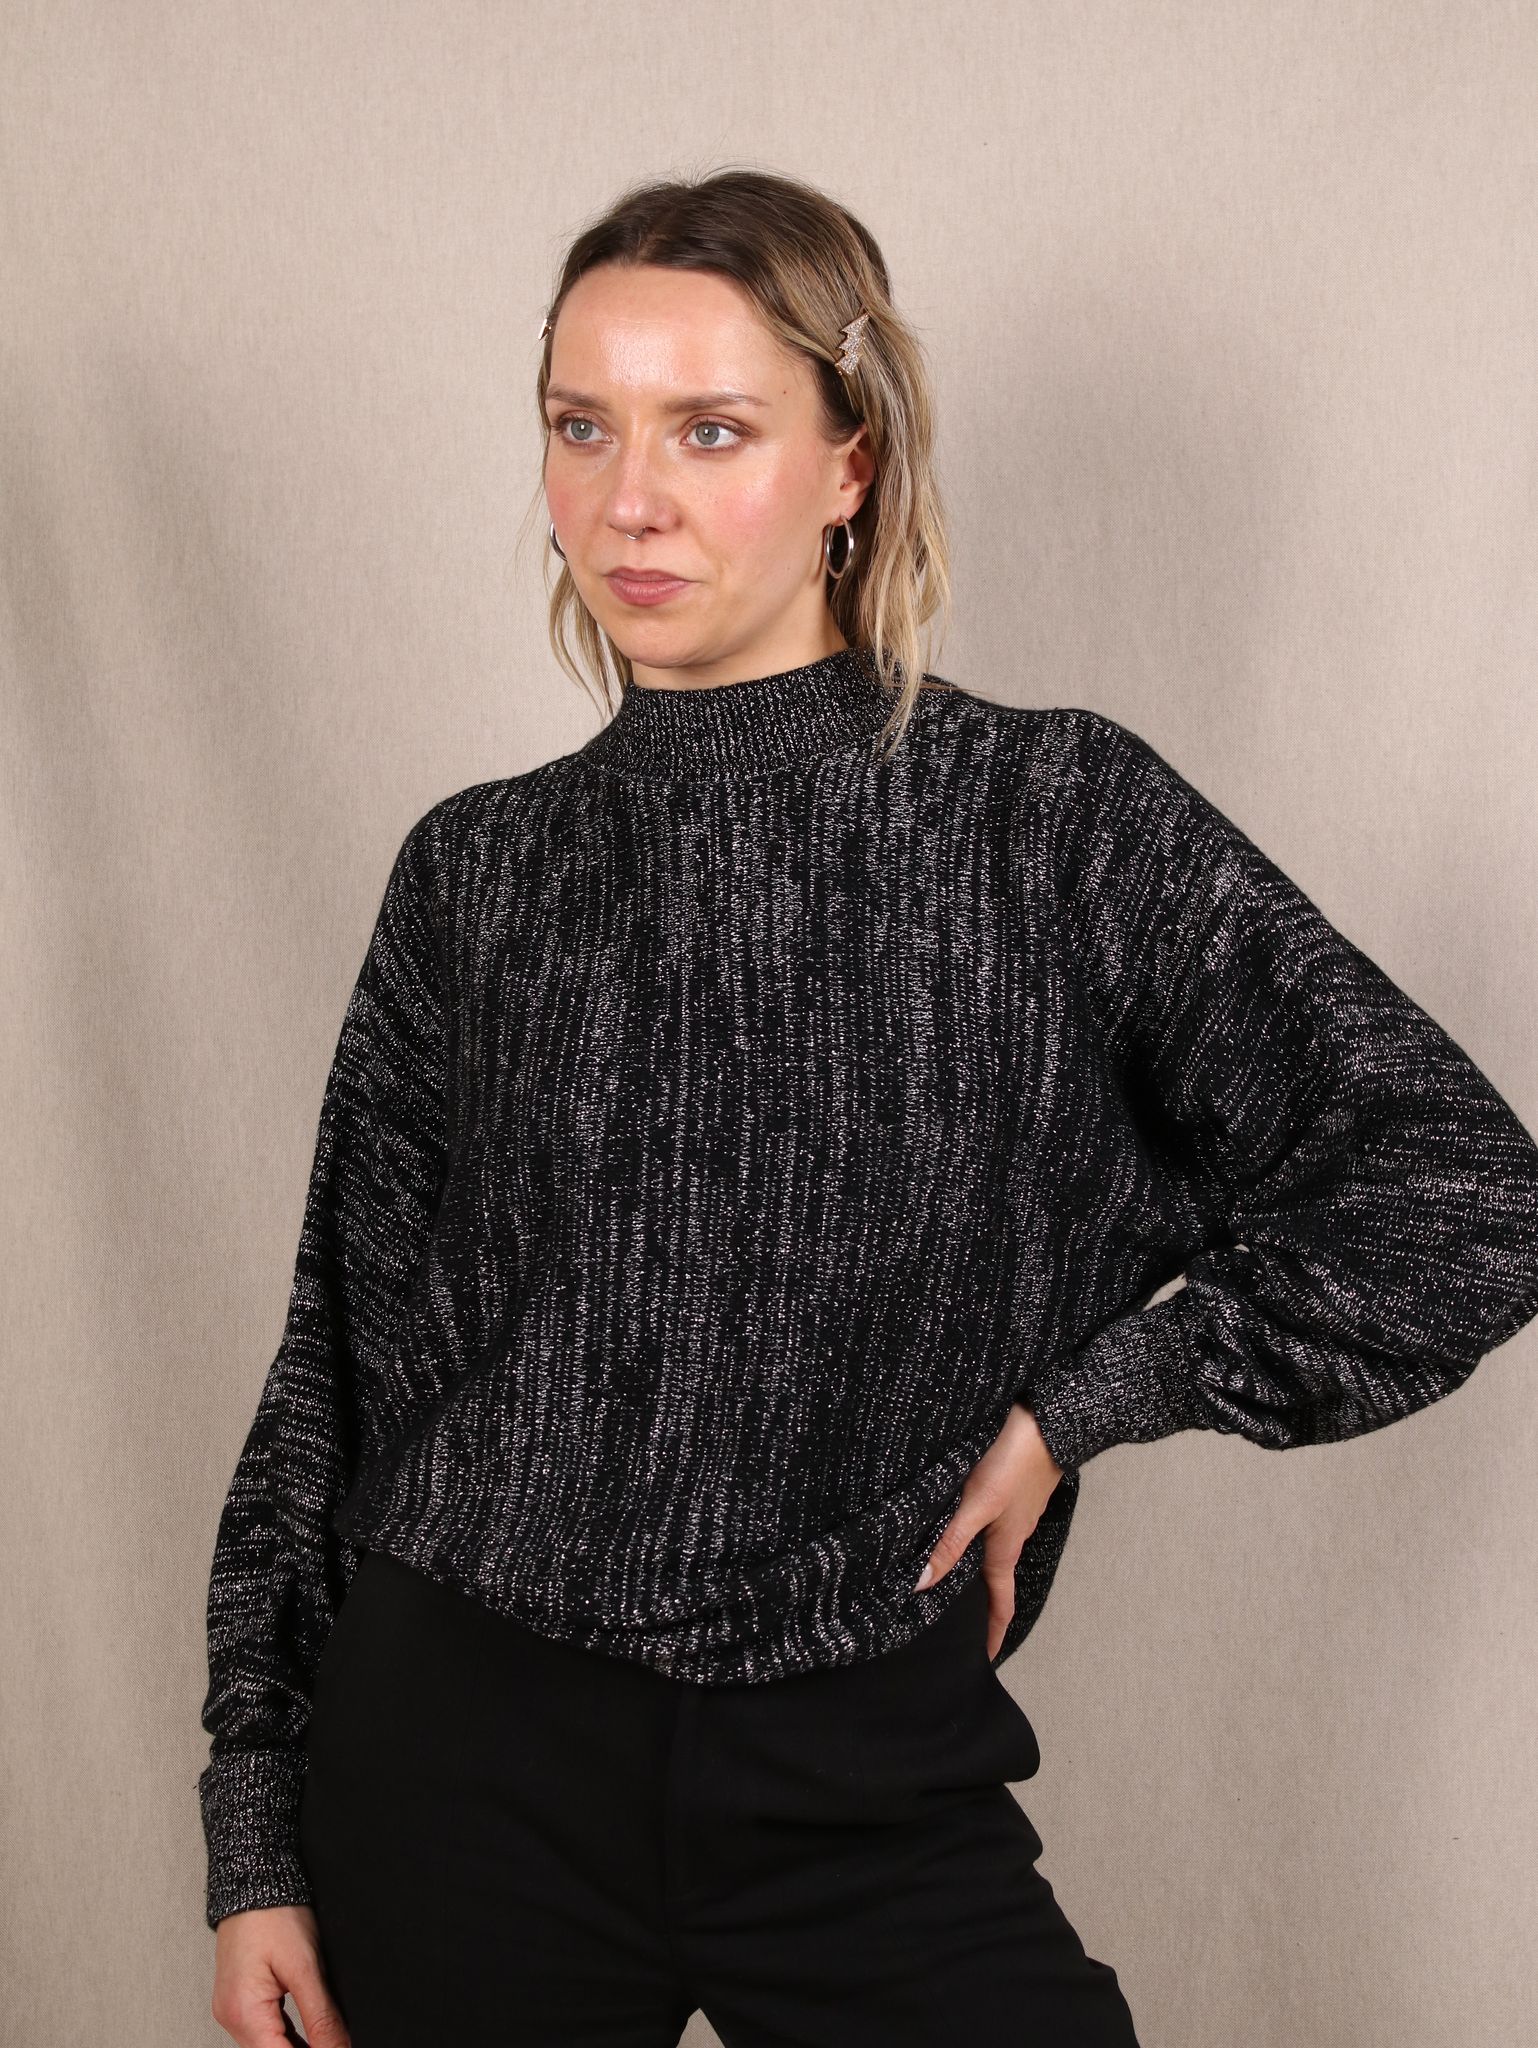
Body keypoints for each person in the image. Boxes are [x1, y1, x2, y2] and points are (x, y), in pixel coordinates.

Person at [199, 169, 1538, 2048]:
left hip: (857, 1766)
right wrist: (256, 1826)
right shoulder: (479, 870)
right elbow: (336, 1368)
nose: (627, 499)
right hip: (457, 1758)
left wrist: (1093, 1400)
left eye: (709, 430)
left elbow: (1462, 1196)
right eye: (580, 427)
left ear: (852, 464)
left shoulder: (1053, 822)